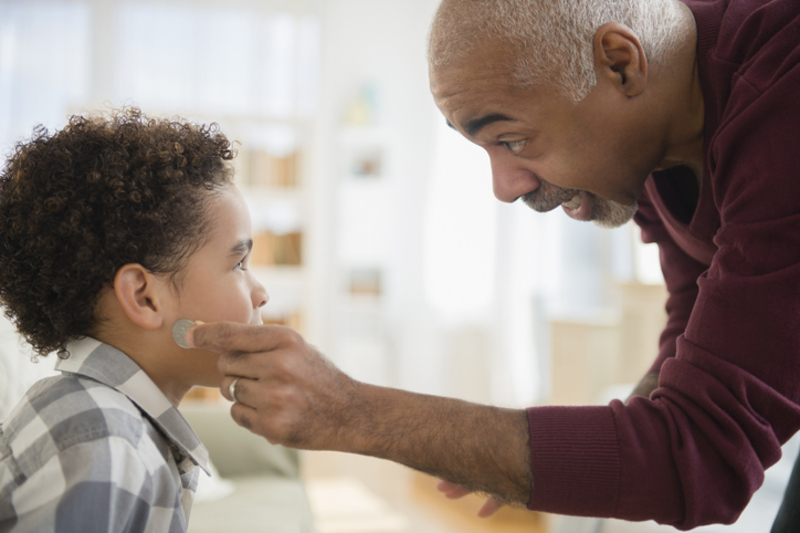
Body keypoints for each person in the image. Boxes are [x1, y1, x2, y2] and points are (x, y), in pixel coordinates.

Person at [187, 0, 800, 529]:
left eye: (512, 140)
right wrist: (510, 454)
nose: (505, 188)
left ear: (620, 62)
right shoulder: (654, 141)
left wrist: (350, 410)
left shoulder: (782, 102)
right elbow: (695, 317)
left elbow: (699, 457)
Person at [0, 108, 268, 532]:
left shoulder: (103, 419)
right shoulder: (104, 440)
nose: (261, 292)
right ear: (144, 297)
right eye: (239, 264)